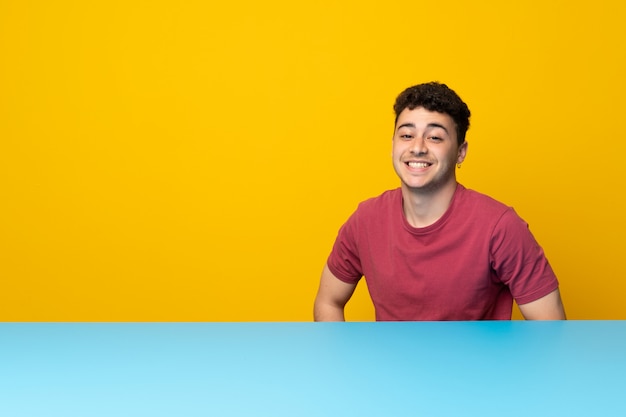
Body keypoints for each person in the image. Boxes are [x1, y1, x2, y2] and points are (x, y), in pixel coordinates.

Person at [314, 82, 566, 321]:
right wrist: (344, 364)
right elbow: (328, 301)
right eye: (406, 135)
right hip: (389, 368)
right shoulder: (366, 220)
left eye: (434, 137)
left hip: (475, 368)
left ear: (460, 151)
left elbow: (551, 328)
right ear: (393, 146)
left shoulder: (499, 227)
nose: (418, 147)